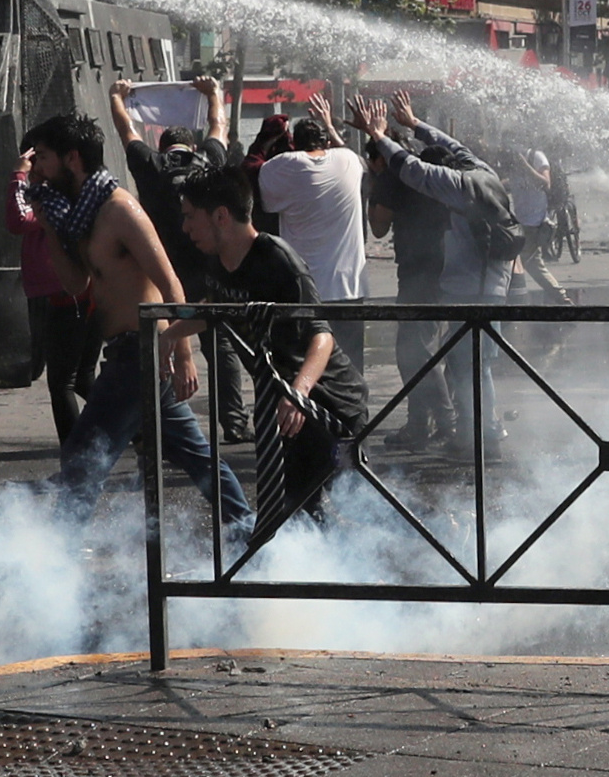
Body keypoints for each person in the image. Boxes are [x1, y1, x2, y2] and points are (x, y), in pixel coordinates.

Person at [28, 112, 251, 536]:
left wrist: (182, 352)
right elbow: (77, 284)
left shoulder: (119, 209)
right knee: (196, 456)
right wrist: (48, 229)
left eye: (42, 157)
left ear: (71, 158)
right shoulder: (80, 214)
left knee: (84, 454)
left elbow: (170, 281)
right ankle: (247, 529)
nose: (36, 168)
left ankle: (56, 559)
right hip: (128, 351)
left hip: (143, 349)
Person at [174, 166, 367, 533]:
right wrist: (167, 335)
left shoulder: (278, 260)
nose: (185, 228)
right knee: (303, 511)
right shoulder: (217, 259)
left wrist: (298, 394)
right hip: (287, 413)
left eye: (189, 217)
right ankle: (334, 577)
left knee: (355, 500)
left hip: (331, 406)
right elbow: (215, 310)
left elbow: (321, 335)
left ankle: (442, 535)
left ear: (221, 216)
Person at [357, 91, 518, 457]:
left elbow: (413, 170)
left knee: (468, 367)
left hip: (471, 288)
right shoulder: (482, 171)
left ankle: (480, 437)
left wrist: (379, 134)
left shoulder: (457, 186)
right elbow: (455, 146)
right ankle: (480, 430)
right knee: (476, 365)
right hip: (490, 282)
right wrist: (415, 125)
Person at [112, 75, 247, 442]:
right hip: (210, 268)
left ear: (163, 147)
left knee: (161, 345)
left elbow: (127, 132)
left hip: (161, 272)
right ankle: (233, 422)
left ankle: (152, 430)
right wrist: (214, 93)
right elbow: (219, 125)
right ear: (191, 145)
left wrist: (117, 97)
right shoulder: (210, 163)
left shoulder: (152, 167)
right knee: (219, 344)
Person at [261, 94, 370, 365]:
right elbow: (359, 162)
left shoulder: (281, 167)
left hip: (304, 290)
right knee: (351, 368)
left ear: (294, 144)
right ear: (327, 142)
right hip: (348, 288)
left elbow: (264, 197)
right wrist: (331, 126)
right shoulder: (348, 161)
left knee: (305, 368)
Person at [367, 123, 457, 447]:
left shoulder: (392, 177)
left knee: (414, 351)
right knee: (424, 349)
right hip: (444, 269)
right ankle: (420, 423)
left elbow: (378, 227)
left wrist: (373, 186)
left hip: (419, 272)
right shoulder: (426, 169)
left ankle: (446, 422)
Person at [7, 133, 99, 445]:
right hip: (56, 292)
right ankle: (137, 431)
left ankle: (76, 454)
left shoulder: (52, 195)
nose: (36, 166)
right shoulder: (51, 191)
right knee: (81, 379)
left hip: (62, 293)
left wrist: (19, 176)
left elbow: (18, 219)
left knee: (64, 382)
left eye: (41, 158)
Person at [505, 147, 572, 304]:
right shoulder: (511, 160)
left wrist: (525, 166)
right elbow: (511, 183)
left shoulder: (537, 157)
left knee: (527, 264)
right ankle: (561, 299)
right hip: (521, 223)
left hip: (535, 223)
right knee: (530, 265)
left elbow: (545, 183)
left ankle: (509, 302)